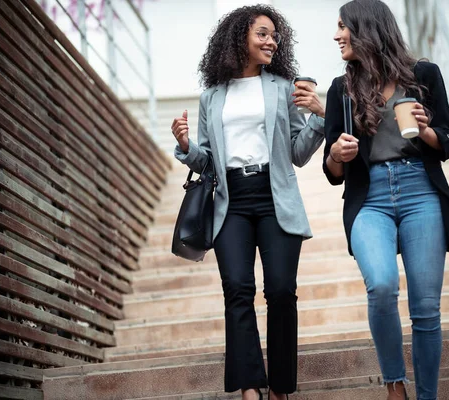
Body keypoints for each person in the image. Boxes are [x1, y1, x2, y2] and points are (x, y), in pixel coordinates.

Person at [171, 5, 325, 400]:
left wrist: (321, 119)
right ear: (240, 37)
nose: (271, 40)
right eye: (262, 34)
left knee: (279, 290)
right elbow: (206, 160)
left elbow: (298, 152)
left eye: (275, 35)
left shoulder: (281, 88)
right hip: (230, 202)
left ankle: (281, 388)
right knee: (237, 288)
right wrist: (186, 147)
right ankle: (249, 386)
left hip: (275, 198)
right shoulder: (212, 97)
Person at [322, 1, 449, 399]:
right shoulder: (341, 90)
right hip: (371, 198)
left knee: (425, 308)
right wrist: (336, 156)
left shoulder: (424, 75)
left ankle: (427, 395)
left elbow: (448, 141)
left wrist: (426, 129)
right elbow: (332, 174)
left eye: (342, 27)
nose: (336, 36)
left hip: (420, 191)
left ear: (367, 29)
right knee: (381, 285)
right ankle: (395, 385)